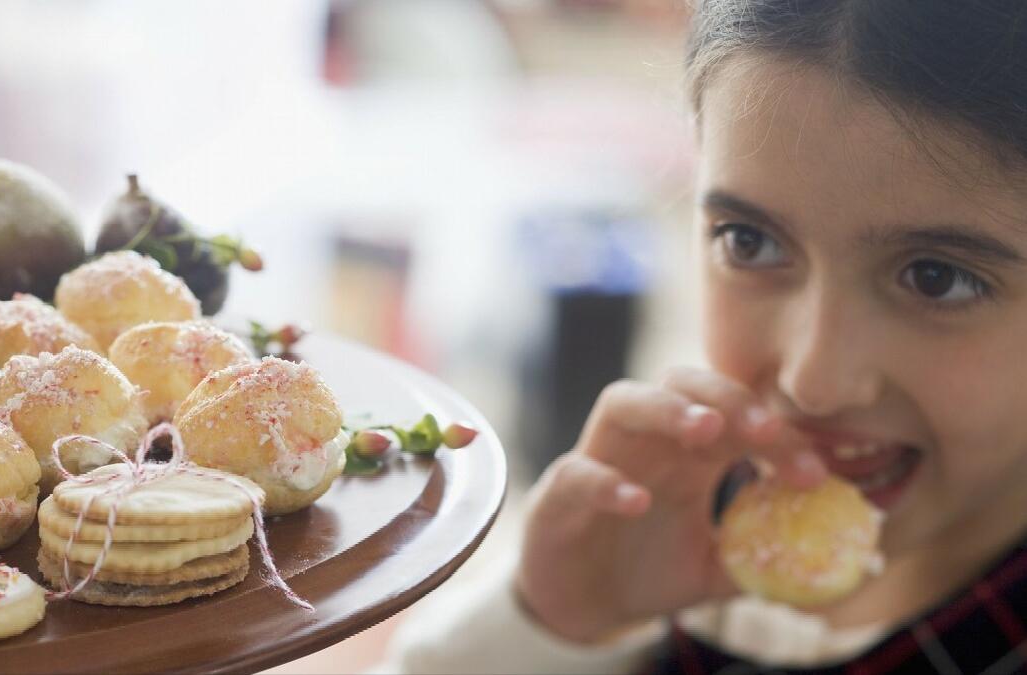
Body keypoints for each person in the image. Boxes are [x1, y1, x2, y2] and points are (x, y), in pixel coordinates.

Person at [381, 1, 1027, 672]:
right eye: (748, 241)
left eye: (937, 278)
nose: (813, 381)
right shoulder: (652, 521)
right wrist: (546, 622)